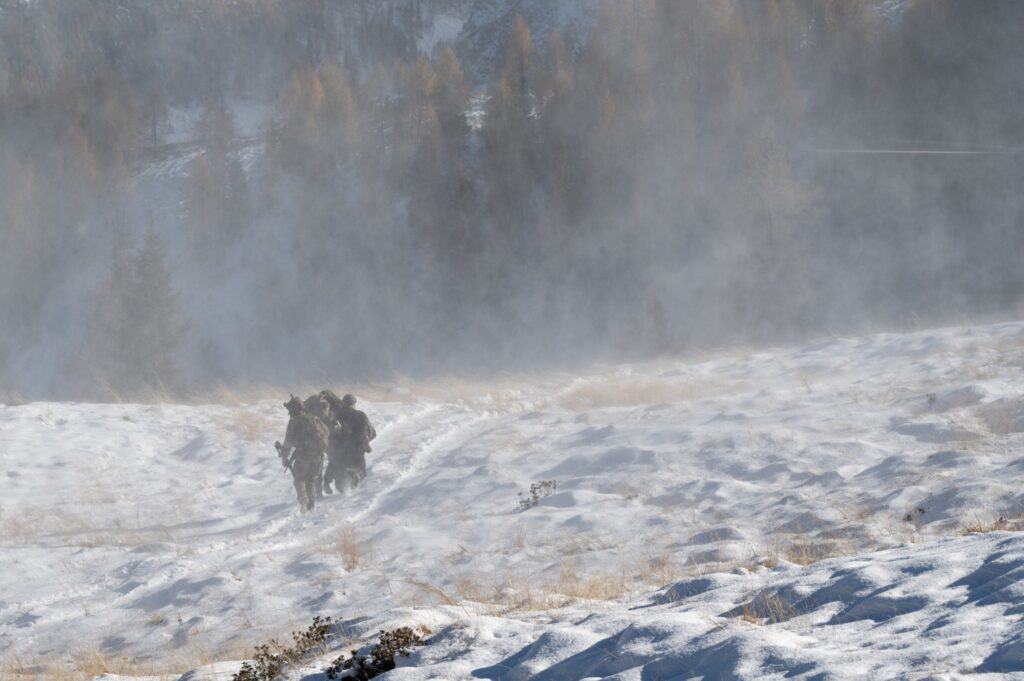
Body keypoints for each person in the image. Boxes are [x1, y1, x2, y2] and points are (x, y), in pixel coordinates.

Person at [275, 395, 329, 512]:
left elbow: (288, 443)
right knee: (312, 480)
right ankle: (311, 503)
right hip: (317, 455)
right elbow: (326, 433)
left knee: (299, 479)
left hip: (303, 455)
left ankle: (303, 500)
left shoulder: (294, 422)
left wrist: (284, 457)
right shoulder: (314, 419)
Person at [321, 392, 376, 493]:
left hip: (340, 450)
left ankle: (327, 482)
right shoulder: (361, 415)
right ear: (354, 403)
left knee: (334, 465)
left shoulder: (337, 415)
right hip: (357, 449)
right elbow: (371, 432)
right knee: (361, 472)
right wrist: (365, 444)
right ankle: (355, 475)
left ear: (344, 403)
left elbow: (331, 431)